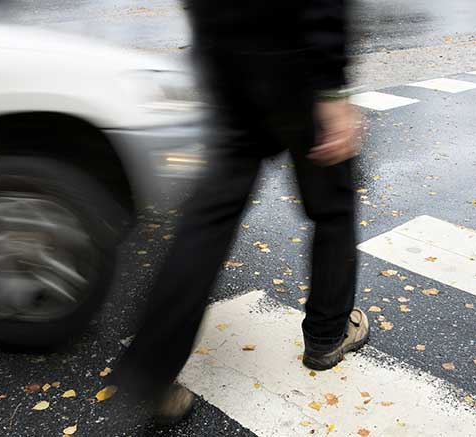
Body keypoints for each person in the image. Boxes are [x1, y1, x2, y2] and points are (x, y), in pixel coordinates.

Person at [113, 0, 367, 424]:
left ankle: (151, 372)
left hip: (226, 55)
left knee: (209, 218)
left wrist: (211, 49)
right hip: (295, 58)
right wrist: (332, 87)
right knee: (333, 205)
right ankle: (327, 335)